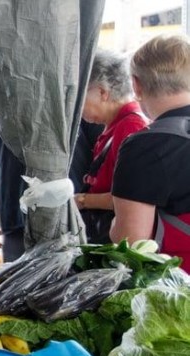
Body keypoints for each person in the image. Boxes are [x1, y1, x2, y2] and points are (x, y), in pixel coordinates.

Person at [111, 34, 190, 271]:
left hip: (180, 288)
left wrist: (114, 226)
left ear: (136, 85)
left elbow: (131, 241)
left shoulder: (145, 147)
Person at [74, 50, 149, 244]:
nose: (77, 107)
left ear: (102, 92)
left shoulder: (131, 126)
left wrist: (82, 200)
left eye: (80, 96)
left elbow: (131, 196)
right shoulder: (115, 125)